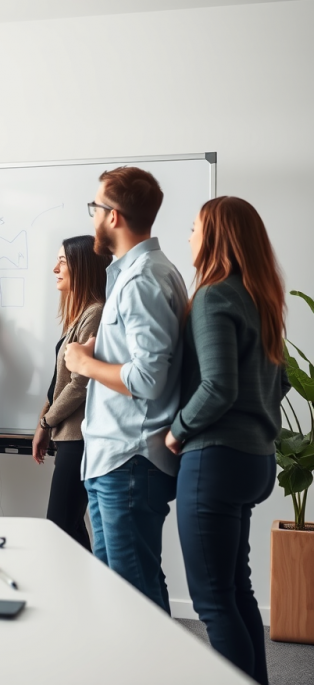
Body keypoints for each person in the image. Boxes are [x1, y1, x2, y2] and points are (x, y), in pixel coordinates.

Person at [166, 197, 287, 685]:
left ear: (215, 236)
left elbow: (218, 386)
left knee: (214, 603)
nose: (189, 236)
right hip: (254, 460)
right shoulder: (262, 301)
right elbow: (275, 387)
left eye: (195, 228)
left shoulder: (215, 296)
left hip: (214, 461)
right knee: (238, 593)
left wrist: (177, 430)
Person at [64, 166, 187, 613]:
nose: (93, 216)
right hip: (111, 459)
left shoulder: (142, 279)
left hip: (130, 460)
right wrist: (105, 347)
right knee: (125, 590)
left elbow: (149, 379)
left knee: (134, 597)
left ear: (113, 216)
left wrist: (85, 362)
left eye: (95, 207)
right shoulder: (133, 274)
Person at [32, 236, 110, 549]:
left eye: (62, 261)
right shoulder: (81, 315)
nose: (55, 268)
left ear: (83, 266)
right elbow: (58, 381)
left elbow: (81, 381)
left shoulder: (95, 313)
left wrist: (46, 423)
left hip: (79, 437)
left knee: (60, 527)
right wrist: (44, 422)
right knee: (70, 529)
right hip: (68, 436)